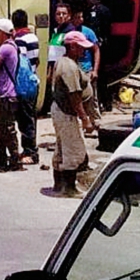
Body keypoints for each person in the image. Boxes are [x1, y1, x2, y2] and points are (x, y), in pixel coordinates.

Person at [50, 31, 97, 198]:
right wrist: (85, 119)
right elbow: (74, 95)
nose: (84, 51)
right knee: (74, 151)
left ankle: (58, 184)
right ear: (72, 47)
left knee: (62, 147)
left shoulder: (66, 62)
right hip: (66, 112)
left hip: (61, 111)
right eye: (80, 47)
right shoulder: (68, 66)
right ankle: (68, 188)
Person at [0, 18, 22, 171]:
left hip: (7, 94)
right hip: (9, 94)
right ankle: (1, 157)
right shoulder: (13, 46)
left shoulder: (5, 48)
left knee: (6, 127)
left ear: (2, 33)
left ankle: (14, 159)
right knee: (0, 127)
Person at [10, 9, 42, 169]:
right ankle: (29, 149)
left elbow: (20, 64)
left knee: (25, 120)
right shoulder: (33, 37)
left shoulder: (19, 41)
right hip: (33, 81)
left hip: (24, 84)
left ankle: (30, 152)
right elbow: (37, 60)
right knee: (30, 117)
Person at [70, 7, 103, 124]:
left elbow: (96, 50)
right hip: (74, 70)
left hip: (87, 69)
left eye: (82, 17)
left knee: (92, 98)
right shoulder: (68, 33)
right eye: (77, 17)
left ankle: (96, 122)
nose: (81, 20)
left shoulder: (88, 32)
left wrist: (95, 70)